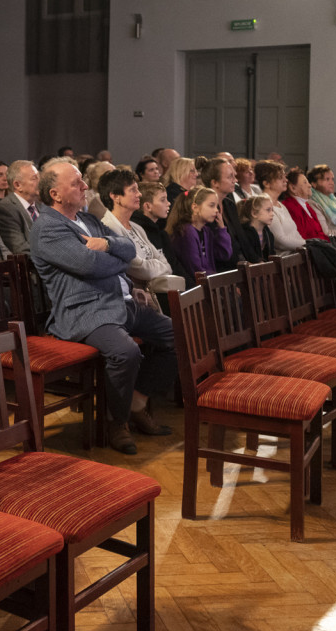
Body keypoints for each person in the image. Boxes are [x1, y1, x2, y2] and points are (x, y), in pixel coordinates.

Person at [30, 158, 176, 455]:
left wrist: (108, 246)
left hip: (119, 302)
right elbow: (88, 265)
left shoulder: (88, 219)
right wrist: (113, 258)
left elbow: (127, 247)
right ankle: (116, 422)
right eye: (76, 183)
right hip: (84, 310)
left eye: (83, 180)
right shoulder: (47, 228)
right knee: (125, 351)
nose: (85, 186)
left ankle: (136, 402)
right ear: (55, 194)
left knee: (179, 335)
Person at [99, 169, 179, 311]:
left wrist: (150, 267)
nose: (139, 194)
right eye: (133, 190)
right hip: (132, 299)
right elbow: (138, 268)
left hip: (151, 294)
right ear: (115, 196)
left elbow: (166, 264)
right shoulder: (109, 227)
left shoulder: (136, 227)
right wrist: (153, 266)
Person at [167, 185, 233, 283]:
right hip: (195, 286)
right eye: (211, 205)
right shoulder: (187, 231)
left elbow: (224, 254)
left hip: (208, 283)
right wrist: (222, 280)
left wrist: (222, 229)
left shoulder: (206, 231)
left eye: (216, 206)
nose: (216, 210)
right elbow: (196, 269)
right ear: (195, 207)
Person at [255, 160, 303, 254]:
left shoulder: (281, 205)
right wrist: (308, 244)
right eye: (280, 177)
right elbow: (280, 241)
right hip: (282, 260)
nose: (286, 180)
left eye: (284, 176)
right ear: (266, 184)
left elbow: (295, 232)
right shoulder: (264, 206)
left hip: (294, 256)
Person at [0, 160, 40, 254]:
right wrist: (54, 258)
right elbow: (20, 249)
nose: (40, 181)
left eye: (39, 177)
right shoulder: (5, 209)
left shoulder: (43, 206)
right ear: (18, 185)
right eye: (34, 178)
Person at [282, 167, 329, 242]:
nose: (310, 185)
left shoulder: (307, 205)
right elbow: (303, 236)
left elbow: (319, 232)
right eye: (305, 182)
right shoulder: (290, 207)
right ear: (292, 188)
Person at [233, 194, 277, 263]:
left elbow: (271, 255)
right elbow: (248, 256)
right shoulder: (245, 233)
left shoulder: (268, 233)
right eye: (268, 210)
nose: (272, 214)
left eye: (272, 210)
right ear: (254, 213)